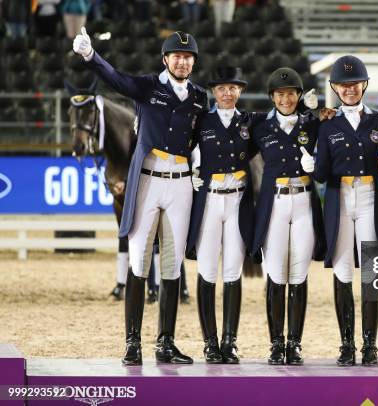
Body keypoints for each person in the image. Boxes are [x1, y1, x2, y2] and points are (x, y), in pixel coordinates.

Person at [73, 28, 207, 366]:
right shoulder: (148, 86)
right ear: (166, 59)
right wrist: (91, 56)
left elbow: (210, 133)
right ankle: (133, 343)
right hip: (148, 181)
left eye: (188, 57)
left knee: (173, 264)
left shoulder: (200, 97)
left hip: (180, 184)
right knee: (138, 260)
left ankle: (166, 343)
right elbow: (115, 78)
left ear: (193, 61)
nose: (182, 61)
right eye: (177, 56)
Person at [305, 55, 378, 366]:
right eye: (343, 85)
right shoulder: (328, 124)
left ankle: (370, 344)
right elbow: (319, 174)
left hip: (370, 194)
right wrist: (312, 162)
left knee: (372, 271)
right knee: (342, 269)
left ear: (364, 85)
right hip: (340, 197)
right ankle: (346, 343)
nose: (349, 89)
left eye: (354, 84)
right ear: (335, 89)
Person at [251, 67, 322, 366]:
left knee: (299, 275)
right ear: (272, 97)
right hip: (276, 204)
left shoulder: (313, 123)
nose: (286, 99)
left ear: (298, 96)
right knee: (276, 276)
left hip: (304, 202)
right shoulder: (260, 127)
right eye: (280, 94)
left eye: (291, 93)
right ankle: (275, 343)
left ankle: (294, 343)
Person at [186, 66, 255, 364]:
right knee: (207, 271)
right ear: (214, 92)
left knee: (233, 273)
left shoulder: (250, 122)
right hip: (211, 201)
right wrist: (189, 172)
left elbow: (286, 118)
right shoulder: (201, 121)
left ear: (240, 91)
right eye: (222, 88)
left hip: (238, 201)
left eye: (233, 88)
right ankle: (209, 342)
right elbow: (182, 147)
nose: (228, 93)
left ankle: (230, 341)